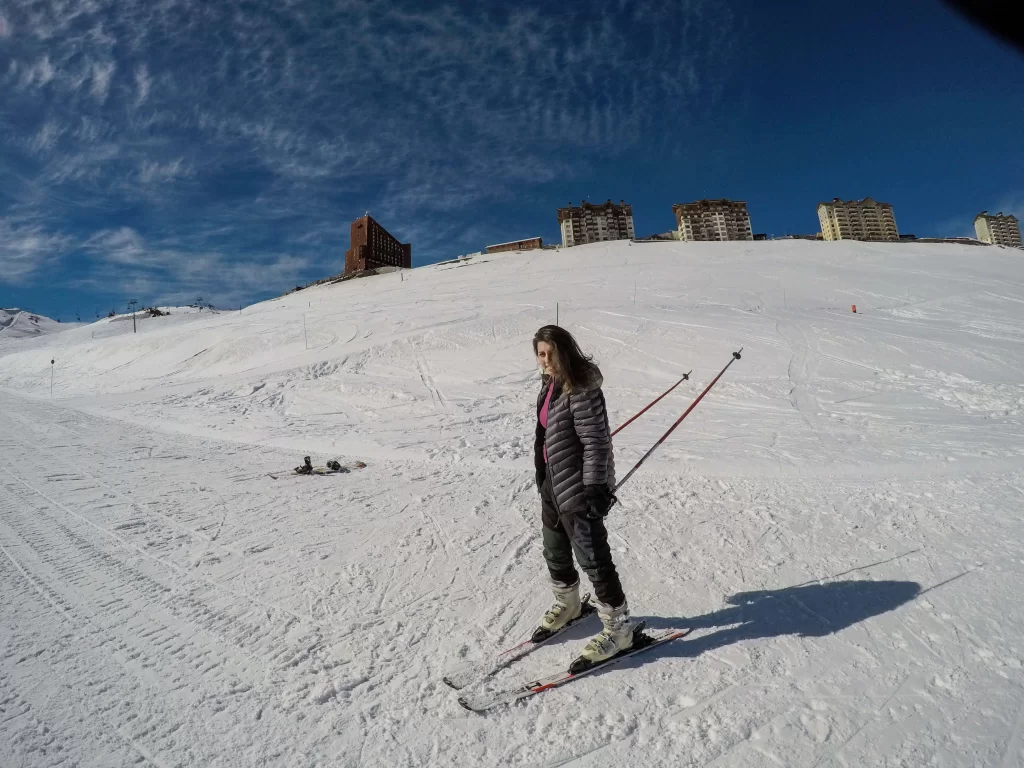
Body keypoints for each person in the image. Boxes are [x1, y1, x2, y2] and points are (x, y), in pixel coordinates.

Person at [532, 325, 634, 662]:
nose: (544, 360)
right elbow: (545, 433)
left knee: (592, 556)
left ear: (565, 352)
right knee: (554, 549)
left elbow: (596, 442)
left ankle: (619, 630)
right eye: (540, 353)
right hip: (552, 483)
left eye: (550, 353)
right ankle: (569, 603)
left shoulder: (582, 388)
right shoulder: (550, 385)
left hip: (578, 486)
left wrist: (594, 487)